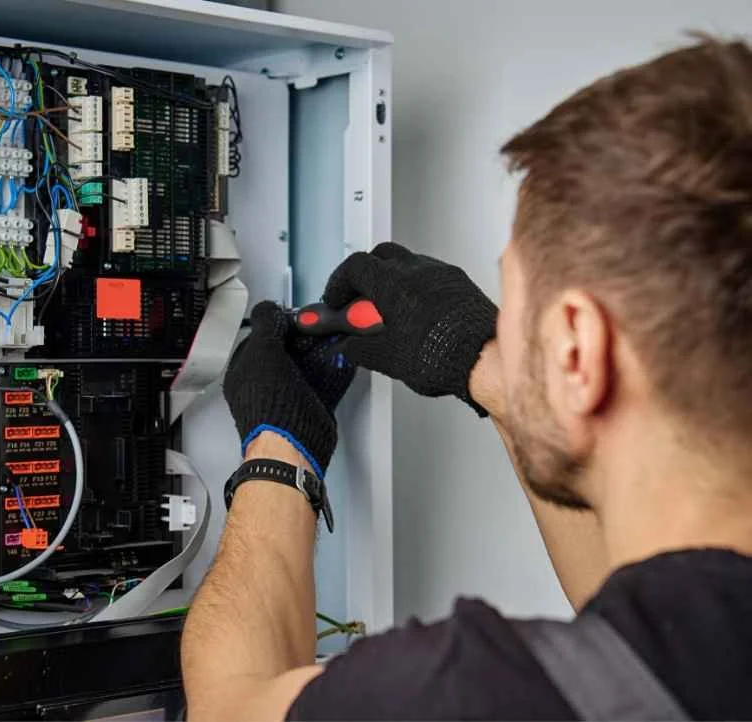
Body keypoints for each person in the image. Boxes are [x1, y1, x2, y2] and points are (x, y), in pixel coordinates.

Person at [181, 35, 752, 720]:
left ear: (578, 350)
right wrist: (493, 368)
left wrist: (280, 445)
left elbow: (227, 706)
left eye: (517, 310)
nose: (508, 328)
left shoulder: (473, 695)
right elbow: (636, 647)